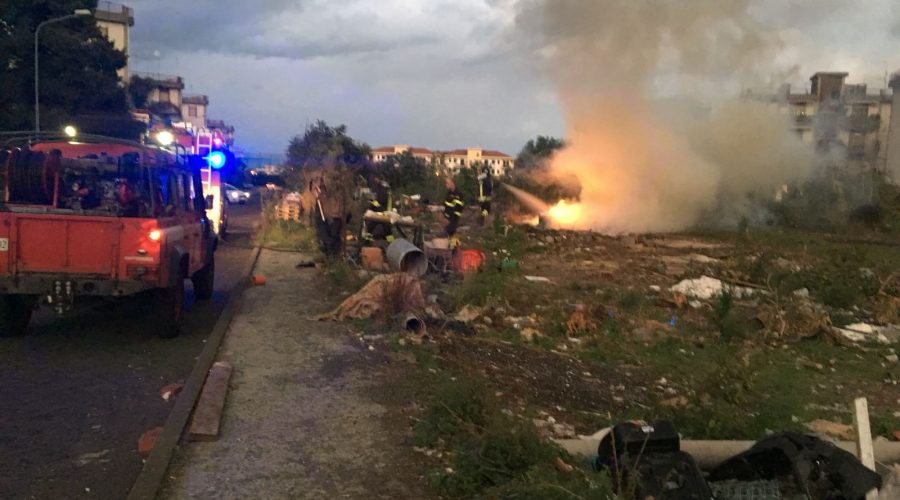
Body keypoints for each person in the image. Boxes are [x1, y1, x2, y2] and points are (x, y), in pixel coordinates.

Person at [363, 175, 393, 242]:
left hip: (382, 212)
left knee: (386, 228)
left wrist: (388, 211)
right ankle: (366, 241)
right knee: (372, 226)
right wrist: (378, 206)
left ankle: (390, 241)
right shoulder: (376, 188)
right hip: (376, 212)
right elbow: (372, 200)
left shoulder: (385, 189)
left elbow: (389, 201)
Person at [443, 177, 464, 247]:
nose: (446, 185)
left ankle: (454, 247)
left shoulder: (458, 194)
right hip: (448, 217)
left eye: (447, 183)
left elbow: (458, 207)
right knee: (449, 233)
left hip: (454, 217)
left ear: (452, 183)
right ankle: (452, 247)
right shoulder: (449, 193)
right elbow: (446, 204)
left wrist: (450, 218)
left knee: (451, 231)